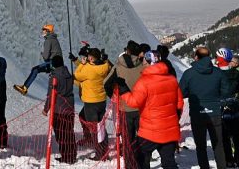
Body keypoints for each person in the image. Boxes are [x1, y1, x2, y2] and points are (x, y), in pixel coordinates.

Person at [119, 51, 184, 169]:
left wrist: (123, 89)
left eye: (144, 59)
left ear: (149, 62)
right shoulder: (172, 79)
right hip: (169, 130)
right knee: (169, 162)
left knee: (139, 156)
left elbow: (134, 102)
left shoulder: (144, 82)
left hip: (150, 131)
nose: (142, 61)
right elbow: (179, 104)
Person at [179, 46, 227, 169]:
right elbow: (225, 91)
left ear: (196, 57)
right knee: (218, 144)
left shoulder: (189, 73)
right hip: (215, 112)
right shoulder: (218, 72)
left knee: (200, 146)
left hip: (197, 113)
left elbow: (181, 93)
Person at [106, 40, 145, 169]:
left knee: (127, 141)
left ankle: (129, 165)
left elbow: (106, 83)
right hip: (141, 109)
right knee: (142, 140)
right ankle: (141, 165)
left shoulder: (118, 66)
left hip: (124, 108)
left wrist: (113, 95)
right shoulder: (143, 66)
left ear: (127, 51)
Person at [73, 47, 112, 158]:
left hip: (90, 102)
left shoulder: (88, 69)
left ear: (91, 57)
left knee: (94, 128)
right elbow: (107, 65)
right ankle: (104, 148)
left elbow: (76, 75)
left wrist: (82, 64)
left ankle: (100, 153)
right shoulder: (105, 66)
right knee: (101, 126)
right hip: (101, 101)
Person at [44, 55, 77, 164]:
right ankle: (72, 155)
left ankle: (66, 156)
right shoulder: (68, 74)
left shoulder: (54, 77)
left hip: (59, 109)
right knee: (69, 132)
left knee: (61, 134)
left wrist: (46, 109)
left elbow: (50, 95)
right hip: (70, 107)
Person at [217, 49, 239, 168]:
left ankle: (229, 159)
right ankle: (238, 157)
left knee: (224, 136)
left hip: (221, 109)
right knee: (236, 133)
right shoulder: (237, 74)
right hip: (234, 107)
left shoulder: (215, 74)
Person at [14, 24, 63, 95]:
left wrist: (42, 54)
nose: (43, 32)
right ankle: (56, 96)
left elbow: (46, 57)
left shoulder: (48, 40)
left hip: (53, 63)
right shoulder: (54, 39)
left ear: (48, 31)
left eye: (44, 30)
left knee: (35, 69)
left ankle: (24, 88)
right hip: (58, 64)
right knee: (54, 80)